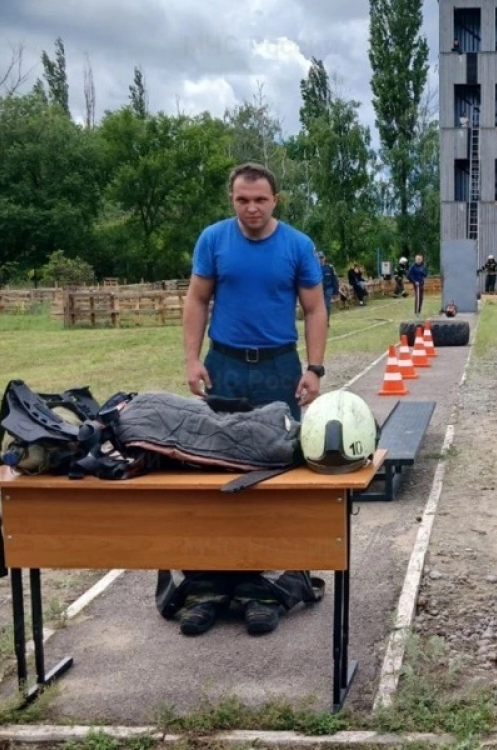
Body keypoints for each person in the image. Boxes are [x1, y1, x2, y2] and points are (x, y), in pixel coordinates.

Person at [174, 161, 327, 637]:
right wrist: (192, 360)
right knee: (215, 471)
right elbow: (197, 299)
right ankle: (208, 587)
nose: (252, 207)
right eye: (243, 199)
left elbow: (315, 307)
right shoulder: (213, 241)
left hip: (279, 367)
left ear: (275, 199)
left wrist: (314, 368)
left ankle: (263, 587)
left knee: (275, 475)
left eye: (260, 199)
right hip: (224, 366)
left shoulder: (297, 245)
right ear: (232, 200)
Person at [318, 251, 340, 323]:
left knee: (326, 304)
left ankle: (326, 320)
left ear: (324, 258)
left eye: (321, 257)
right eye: (319, 258)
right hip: (318, 289)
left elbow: (334, 279)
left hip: (328, 288)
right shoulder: (314, 268)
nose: (320, 259)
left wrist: (336, 291)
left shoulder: (329, 267)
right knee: (319, 306)